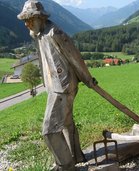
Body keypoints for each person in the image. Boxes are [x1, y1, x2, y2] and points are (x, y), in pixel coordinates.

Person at [17, 0, 97, 170]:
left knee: (49, 129)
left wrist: (88, 79)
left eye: (29, 19)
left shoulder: (54, 33)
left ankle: (66, 166)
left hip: (63, 86)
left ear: (40, 18)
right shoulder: (39, 34)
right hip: (55, 86)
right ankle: (76, 156)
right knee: (67, 122)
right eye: (25, 20)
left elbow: (75, 57)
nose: (26, 24)